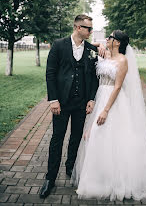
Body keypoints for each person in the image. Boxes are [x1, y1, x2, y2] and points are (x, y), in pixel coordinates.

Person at [71, 30, 146, 201]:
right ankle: (99, 177)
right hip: (100, 96)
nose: (107, 39)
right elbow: (89, 46)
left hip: (113, 101)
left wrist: (105, 110)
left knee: (115, 138)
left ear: (117, 42)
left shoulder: (122, 60)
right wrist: (100, 45)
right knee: (96, 136)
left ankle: (117, 180)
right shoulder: (106, 55)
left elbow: (118, 87)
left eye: (110, 38)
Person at [40, 14, 104, 199]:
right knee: (57, 138)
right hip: (61, 102)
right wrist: (53, 100)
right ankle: (50, 178)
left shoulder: (91, 49)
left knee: (76, 137)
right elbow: (50, 73)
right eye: (89, 29)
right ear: (78, 28)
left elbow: (93, 77)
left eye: (92, 29)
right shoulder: (59, 45)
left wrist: (91, 99)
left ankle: (70, 168)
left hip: (81, 103)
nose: (91, 32)